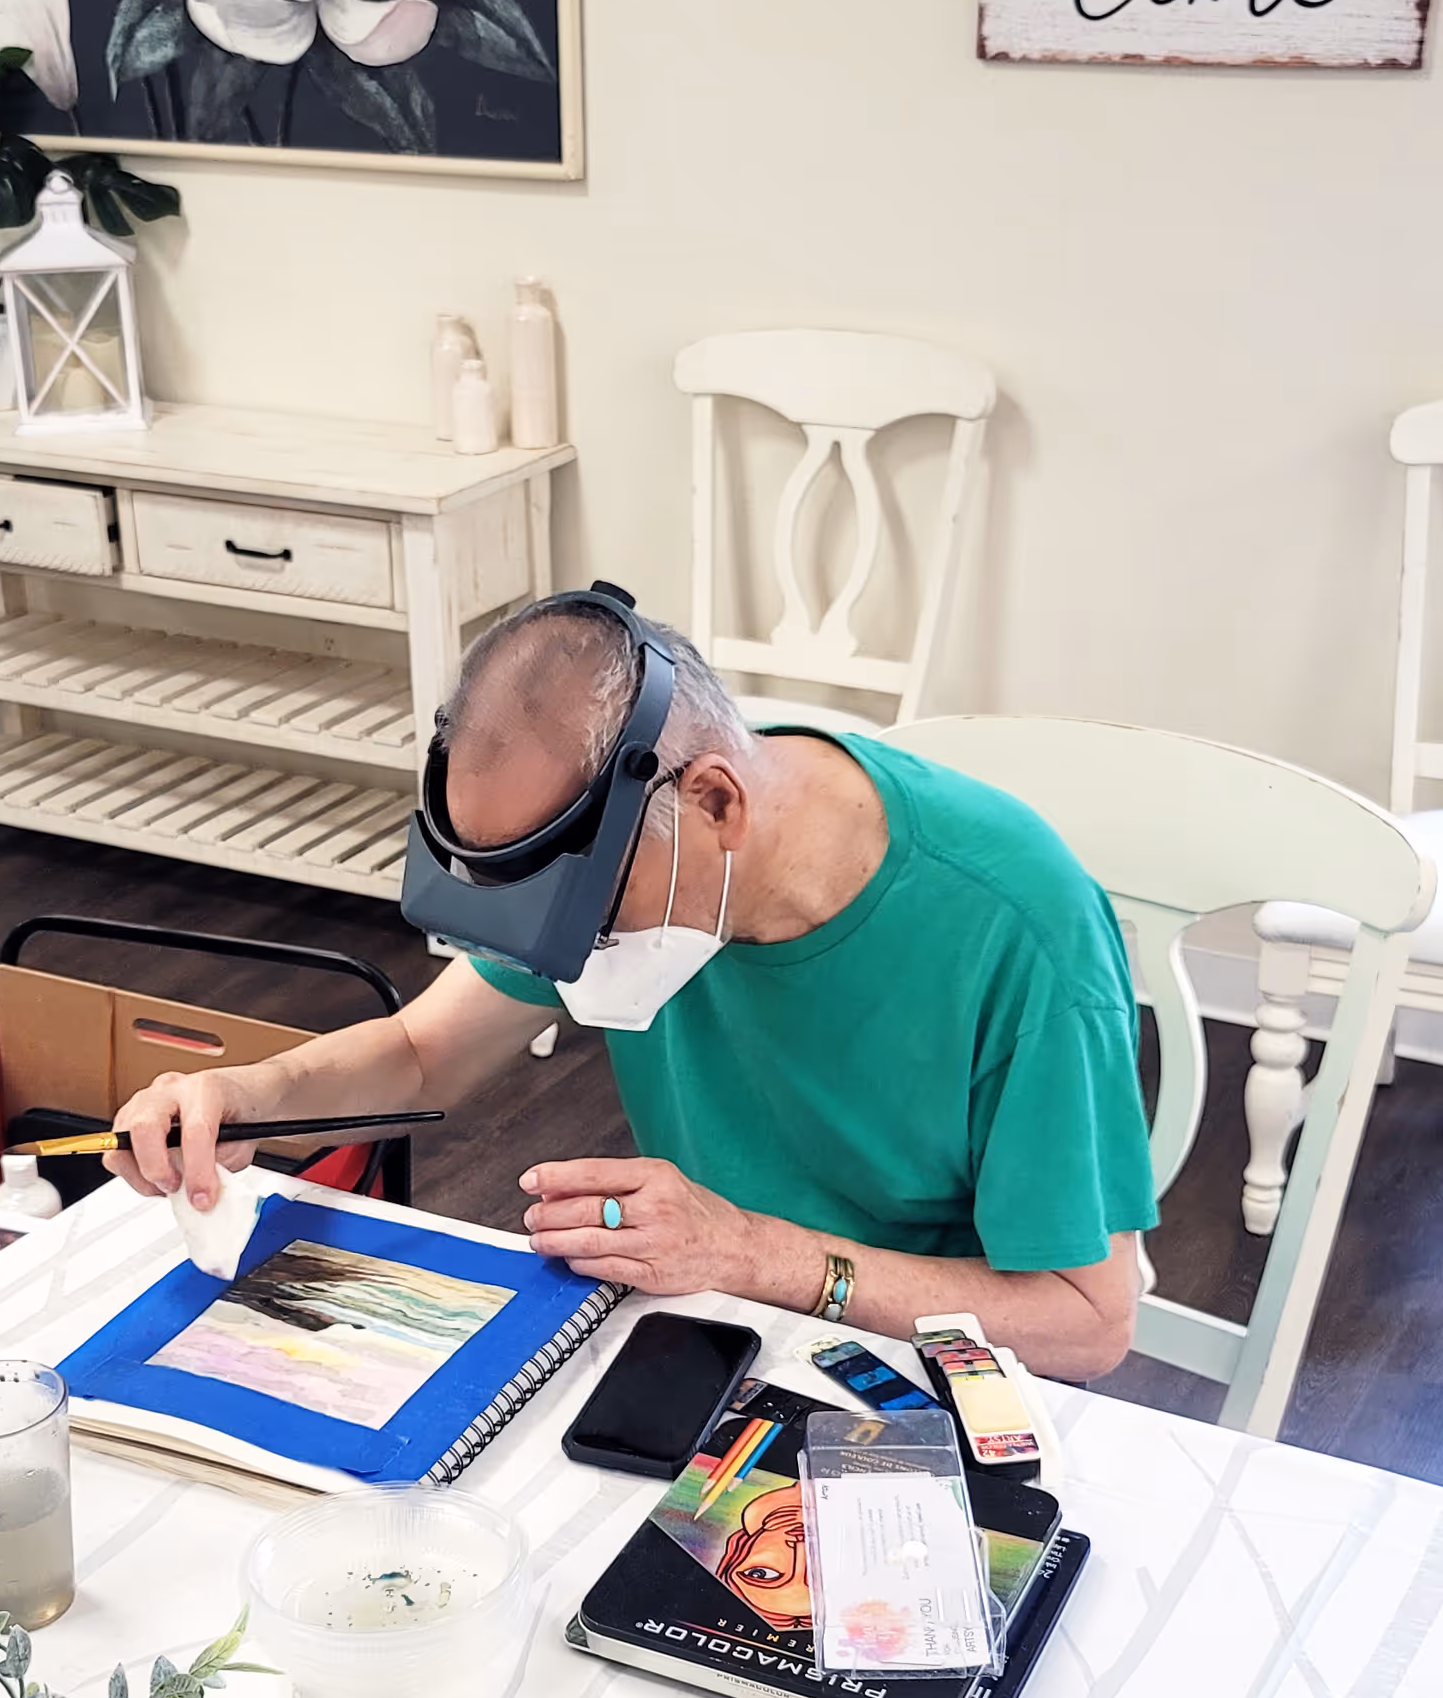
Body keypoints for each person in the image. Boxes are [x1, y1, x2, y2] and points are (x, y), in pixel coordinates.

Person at [111, 587, 1157, 1380]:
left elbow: (1087, 1320)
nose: (565, 956)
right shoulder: (627, 840)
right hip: (697, 1325)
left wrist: (755, 1253)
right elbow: (424, 1051)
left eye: (589, 919)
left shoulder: (1016, 929)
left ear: (714, 804)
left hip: (915, 1369)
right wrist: (253, 1098)